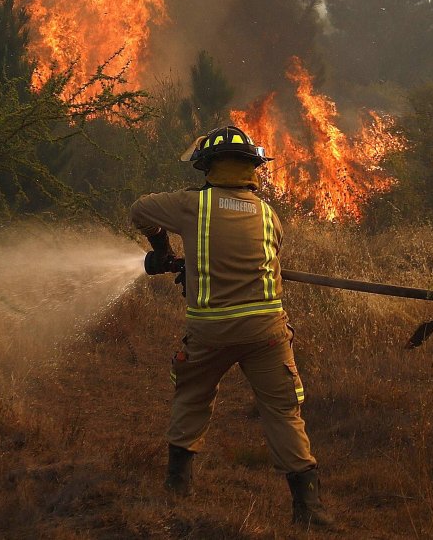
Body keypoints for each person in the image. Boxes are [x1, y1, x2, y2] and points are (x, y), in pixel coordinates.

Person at [130, 125, 334, 529]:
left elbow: (138, 211)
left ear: (207, 167)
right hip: (267, 333)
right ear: (251, 168)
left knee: (192, 395)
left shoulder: (190, 206)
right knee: (282, 411)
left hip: (210, 333)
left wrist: (163, 249)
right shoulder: (268, 215)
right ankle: (309, 510)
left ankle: (178, 485)